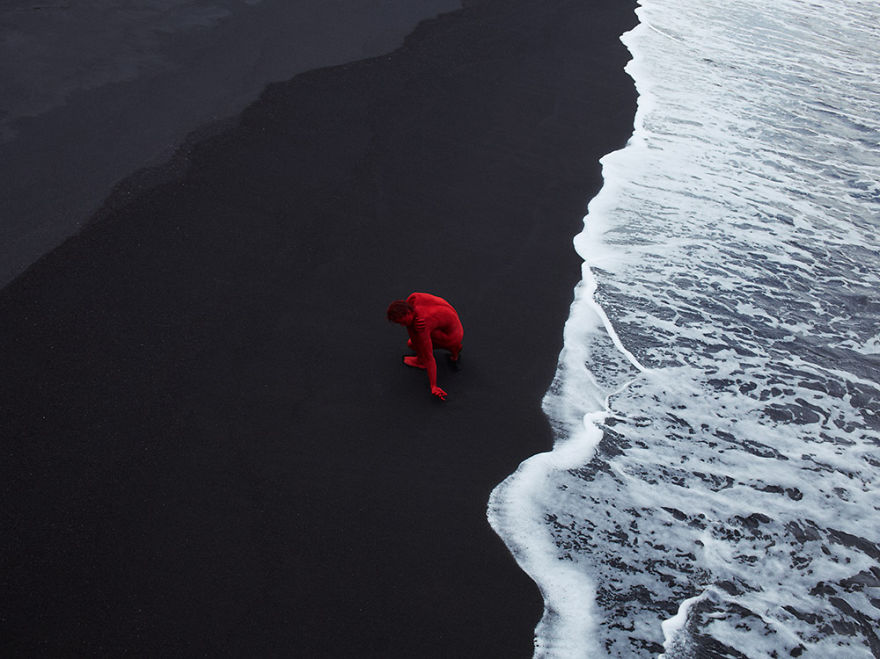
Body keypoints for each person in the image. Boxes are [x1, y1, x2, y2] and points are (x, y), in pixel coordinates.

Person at [387, 292, 463, 401]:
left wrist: (433, 386)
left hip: (452, 337)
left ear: (408, 312)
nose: (402, 325)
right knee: (419, 333)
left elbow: (429, 357)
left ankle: (422, 360)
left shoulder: (423, 323)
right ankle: (455, 352)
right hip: (454, 326)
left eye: (402, 322)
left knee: (412, 344)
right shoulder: (414, 298)